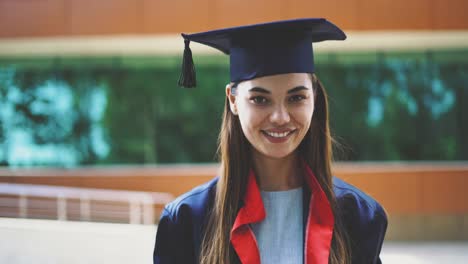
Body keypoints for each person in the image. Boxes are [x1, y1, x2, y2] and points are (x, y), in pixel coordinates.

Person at [153, 18, 387, 264]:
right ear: (233, 100)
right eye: (260, 99)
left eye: (296, 97)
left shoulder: (358, 217)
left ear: (314, 98)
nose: (280, 117)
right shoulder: (188, 220)